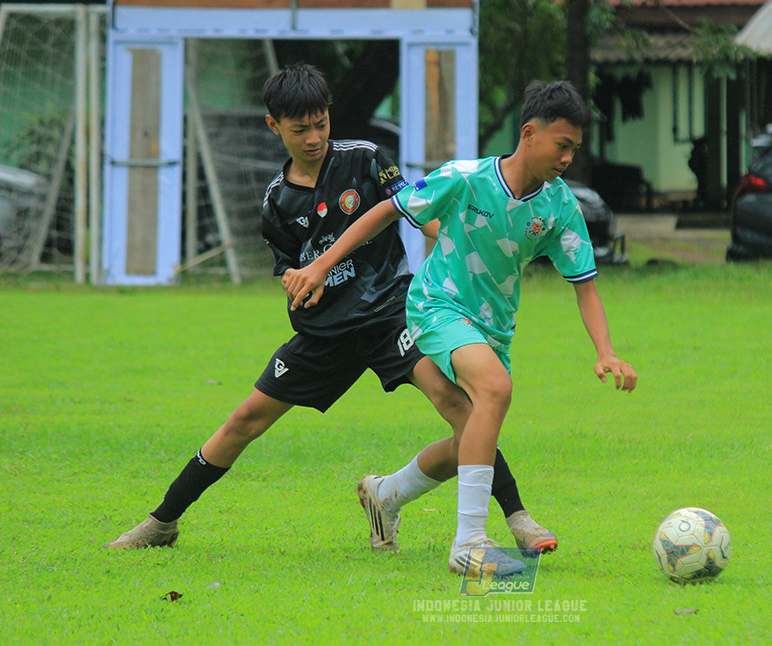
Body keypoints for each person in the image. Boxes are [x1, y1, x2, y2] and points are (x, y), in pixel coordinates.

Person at [103, 63, 556, 556]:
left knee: (458, 405)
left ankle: (517, 518)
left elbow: (417, 212)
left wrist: (460, 241)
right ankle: (161, 523)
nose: (315, 137)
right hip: (326, 333)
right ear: (274, 126)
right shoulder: (277, 200)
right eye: (300, 129)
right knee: (244, 421)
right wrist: (299, 284)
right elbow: (289, 270)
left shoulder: (365, 159)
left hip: (391, 312)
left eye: (321, 124)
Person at [280, 80, 638, 577]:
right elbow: (387, 209)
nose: (567, 158)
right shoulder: (465, 178)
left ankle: (386, 494)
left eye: (575, 149)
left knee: (471, 435)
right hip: (436, 306)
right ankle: (469, 544)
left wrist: (605, 350)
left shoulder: (560, 207)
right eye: (562, 145)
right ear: (529, 133)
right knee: (494, 389)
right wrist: (321, 265)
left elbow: (586, 285)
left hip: (494, 330)